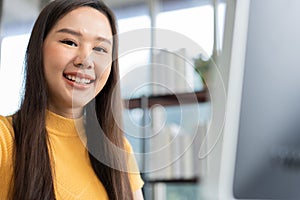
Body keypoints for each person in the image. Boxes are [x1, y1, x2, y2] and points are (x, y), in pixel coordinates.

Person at [0, 0, 144, 199]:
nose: (85, 60)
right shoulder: (4, 139)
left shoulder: (118, 149)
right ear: (38, 49)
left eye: (100, 49)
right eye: (70, 42)